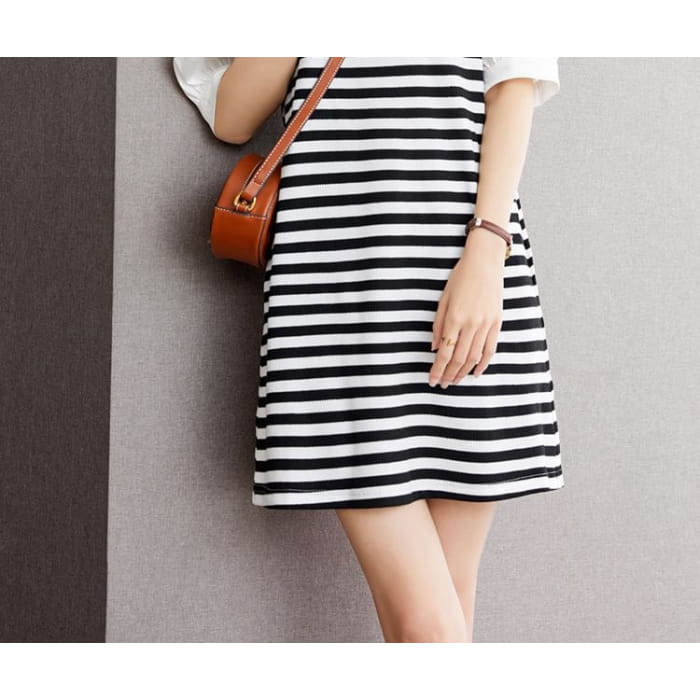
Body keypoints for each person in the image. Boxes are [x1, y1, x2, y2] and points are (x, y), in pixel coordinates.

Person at [173, 57, 564, 643]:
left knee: (447, 609)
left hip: (465, 280)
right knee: (430, 628)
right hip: (335, 293)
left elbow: (513, 89)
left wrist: (487, 253)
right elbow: (232, 117)